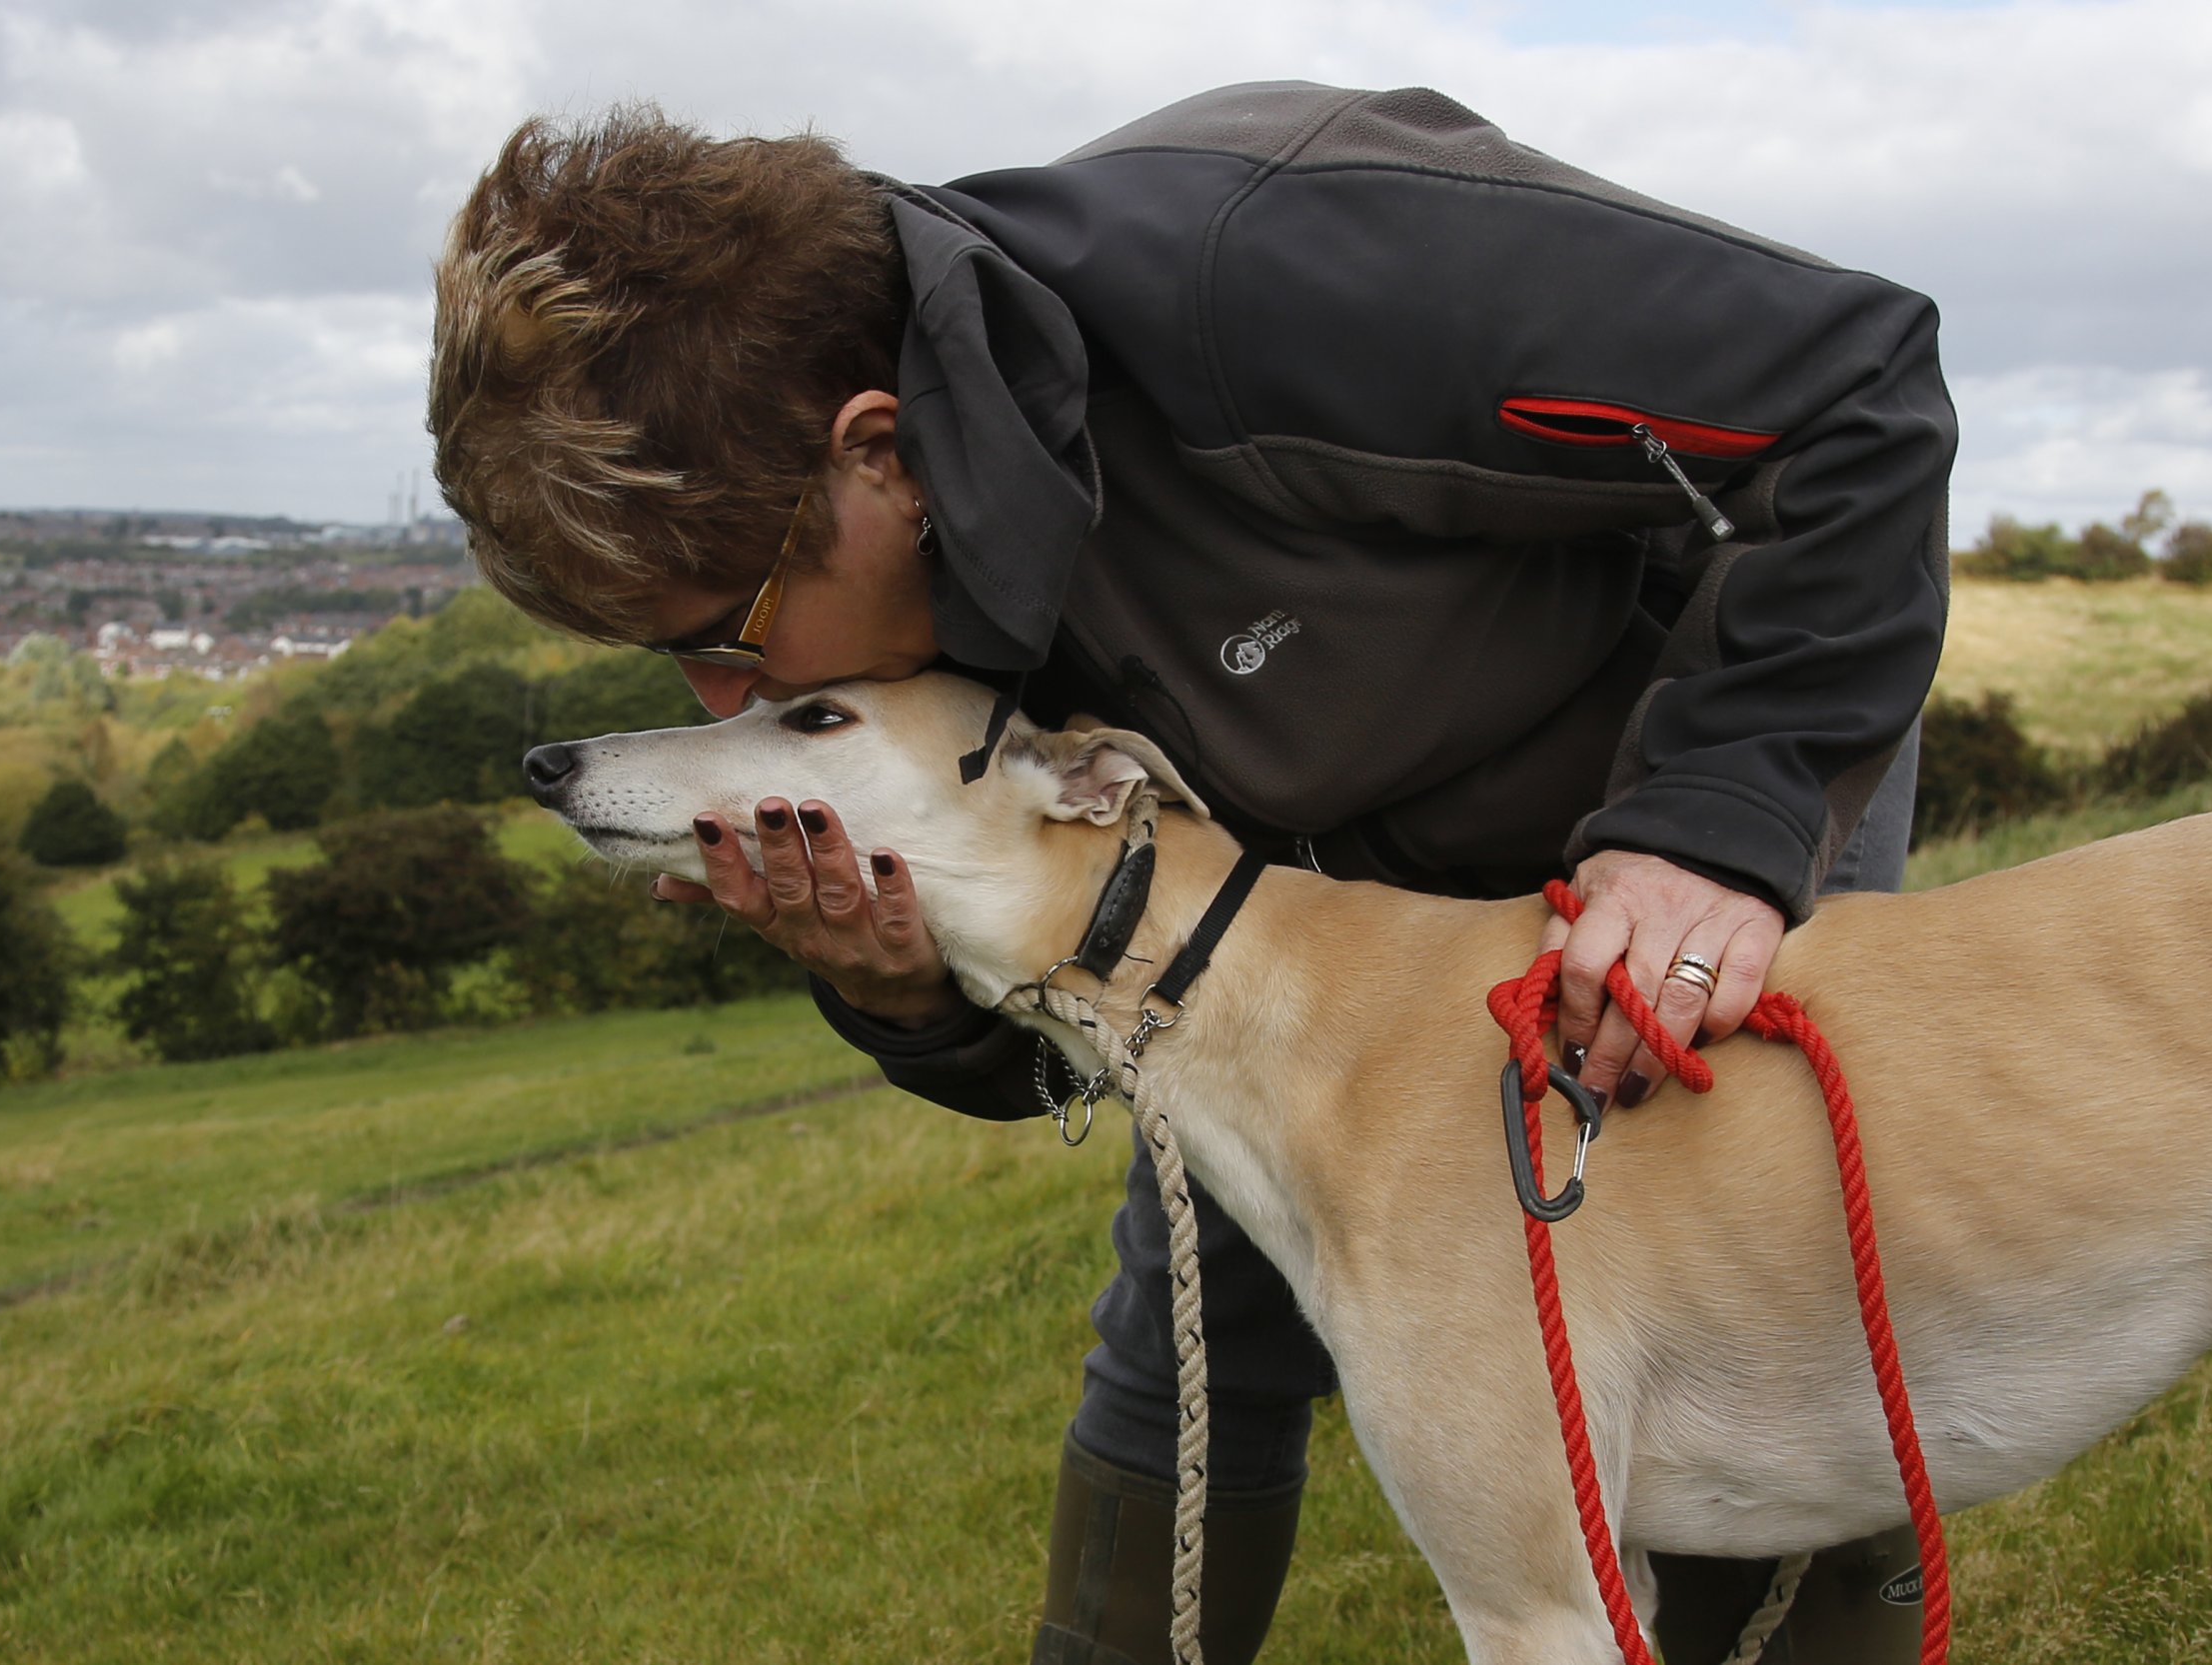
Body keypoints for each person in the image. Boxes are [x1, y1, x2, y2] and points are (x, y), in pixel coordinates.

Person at [429, 82, 1956, 1664]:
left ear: (874, 458)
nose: (721, 713)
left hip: (1672, 768)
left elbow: (1852, 391)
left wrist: (1716, 818)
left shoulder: (1268, 266)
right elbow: (1071, 951)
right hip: (1305, 896)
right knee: (1205, 1299)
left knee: (1755, 1292)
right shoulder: (923, 567)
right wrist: (908, 993)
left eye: (719, 640)